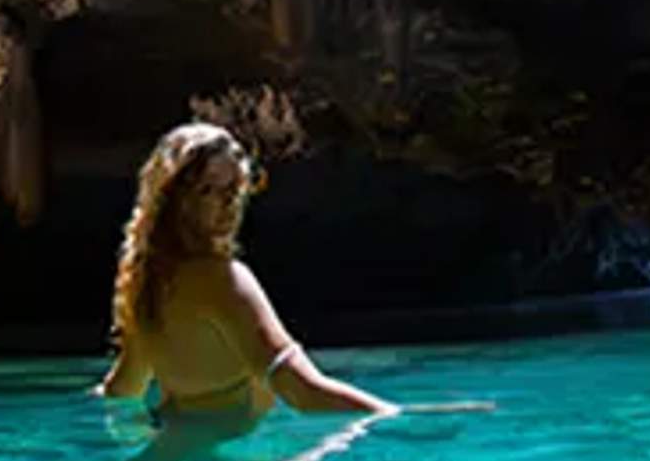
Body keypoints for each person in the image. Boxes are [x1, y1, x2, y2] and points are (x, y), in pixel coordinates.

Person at [95, 121, 459, 434]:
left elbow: (124, 387)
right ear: (175, 201)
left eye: (233, 190)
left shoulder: (148, 281)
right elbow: (304, 393)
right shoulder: (224, 282)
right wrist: (400, 418)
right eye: (208, 190)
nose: (227, 204)